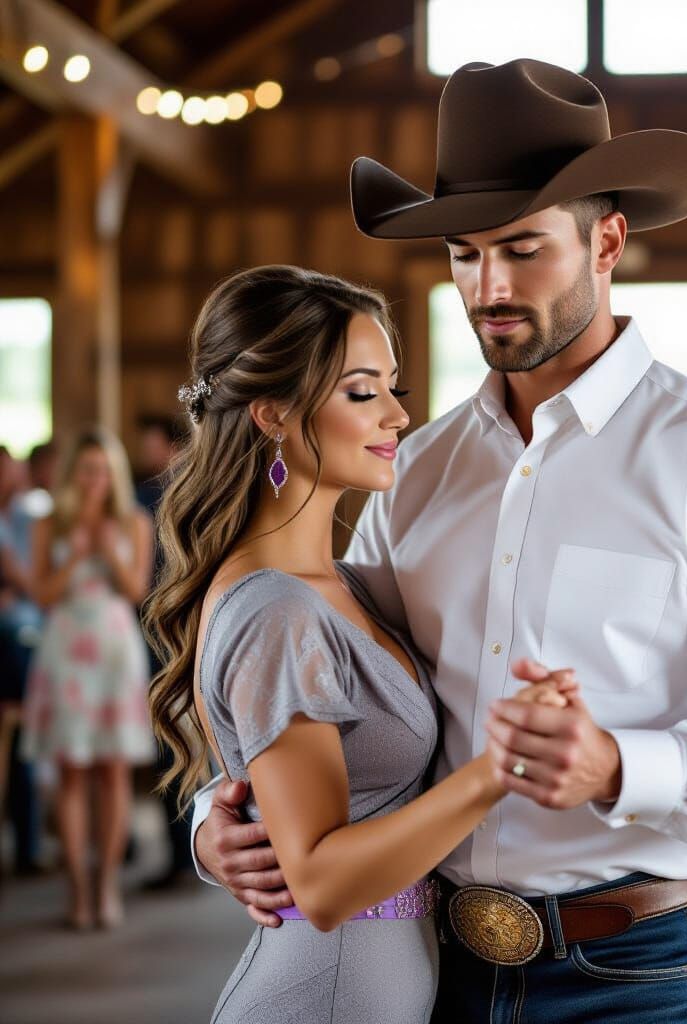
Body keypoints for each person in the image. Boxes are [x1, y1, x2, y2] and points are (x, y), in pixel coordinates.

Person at [192, 59, 687, 1024]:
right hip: (434, 964)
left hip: (634, 975)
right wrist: (223, 814)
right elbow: (326, 672)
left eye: (523, 249)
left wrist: (622, 766)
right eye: (465, 253)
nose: (488, 287)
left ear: (608, 241)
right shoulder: (416, 469)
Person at [144, 265, 571, 1023]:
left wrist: (219, 826)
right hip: (323, 995)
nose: (398, 416)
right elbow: (321, 882)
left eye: (393, 388)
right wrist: (499, 770)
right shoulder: (277, 608)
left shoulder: (345, 584)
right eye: (363, 391)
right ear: (274, 413)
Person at [20, 427, 156, 929]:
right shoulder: (50, 524)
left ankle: (107, 887)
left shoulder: (134, 521)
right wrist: (76, 553)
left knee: (114, 771)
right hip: (65, 653)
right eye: (86, 470)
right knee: (72, 772)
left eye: (103, 470)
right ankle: (77, 887)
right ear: (72, 473)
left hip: (115, 651)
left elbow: (138, 590)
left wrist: (108, 550)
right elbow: (41, 594)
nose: (95, 479)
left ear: (113, 475)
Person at [132, 415, 195, 890]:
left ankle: (184, 851)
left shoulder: (163, 495)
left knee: (176, 738)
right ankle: (183, 850)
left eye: (148, 443)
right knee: (174, 738)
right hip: (166, 628)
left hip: (170, 629)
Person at [0, 442, 55, 875]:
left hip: (24, 629)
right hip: (14, 632)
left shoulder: (26, 515)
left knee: (24, 740)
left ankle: (29, 845)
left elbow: (31, 579)